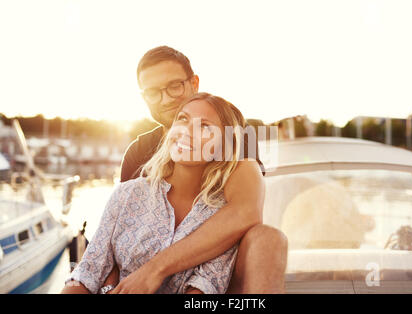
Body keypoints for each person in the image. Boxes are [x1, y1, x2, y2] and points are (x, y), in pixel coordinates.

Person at [76, 46, 286, 293]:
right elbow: (113, 237)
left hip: (216, 277)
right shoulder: (138, 151)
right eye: (153, 92)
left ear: (194, 83)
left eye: (174, 86)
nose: (165, 99)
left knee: (268, 238)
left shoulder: (233, 136)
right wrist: (111, 286)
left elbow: (245, 212)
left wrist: (156, 269)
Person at [62, 93, 253, 294]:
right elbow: (85, 274)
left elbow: (203, 289)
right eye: (183, 119)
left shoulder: (222, 217)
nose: (187, 131)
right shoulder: (127, 194)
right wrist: (108, 288)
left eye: (205, 126)